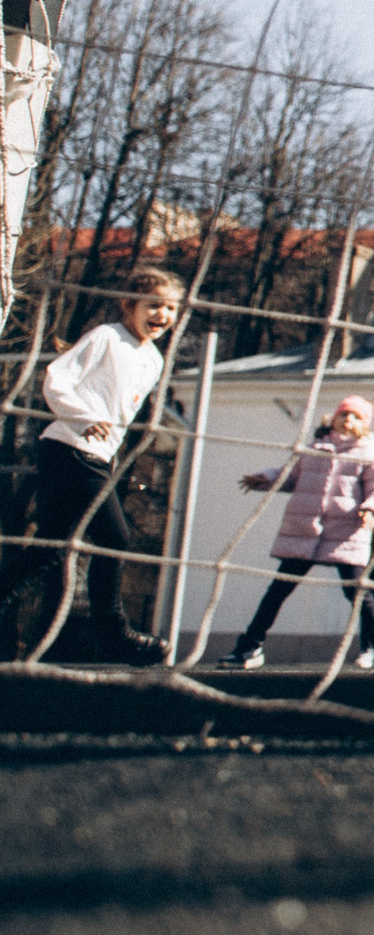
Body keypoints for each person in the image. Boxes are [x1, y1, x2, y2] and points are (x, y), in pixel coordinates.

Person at [0, 266, 182, 664]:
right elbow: (56, 379)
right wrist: (83, 418)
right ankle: (114, 634)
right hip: (68, 448)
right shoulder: (106, 338)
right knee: (115, 537)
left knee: (50, 547)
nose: (162, 315)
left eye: (170, 308)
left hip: (95, 457)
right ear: (129, 305)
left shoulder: (152, 358)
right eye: (154, 305)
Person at [220, 396, 374, 670]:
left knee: (358, 593)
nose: (348, 421)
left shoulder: (367, 455)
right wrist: (266, 478)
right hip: (306, 533)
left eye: (356, 417)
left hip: (344, 533)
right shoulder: (314, 450)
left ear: (365, 426)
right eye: (344, 415)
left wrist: (373, 510)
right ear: (334, 418)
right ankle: (250, 647)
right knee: (278, 591)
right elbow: (290, 474)